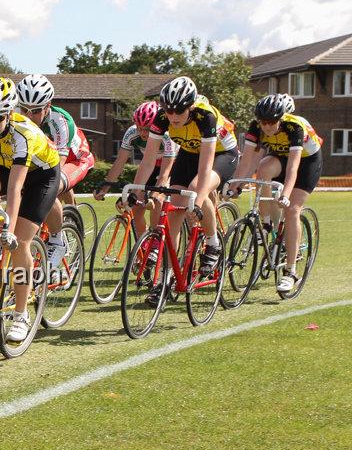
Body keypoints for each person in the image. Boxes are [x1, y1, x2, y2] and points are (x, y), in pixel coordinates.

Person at [0, 77, 62, 344]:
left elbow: (15, 188)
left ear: (10, 113)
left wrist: (8, 231)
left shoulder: (24, 134)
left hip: (40, 176)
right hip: (1, 167)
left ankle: (21, 314)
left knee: (19, 243)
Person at [139, 76, 239, 291]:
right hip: (190, 152)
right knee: (174, 209)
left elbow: (205, 167)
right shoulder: (162, 118)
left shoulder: (205, 117)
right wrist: (137, 192)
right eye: (168, 110)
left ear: (191, 106)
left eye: (179, 110)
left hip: (222, 153)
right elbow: (147, 162)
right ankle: (166, 277)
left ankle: (213, 244)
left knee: (195, 191)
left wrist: (199, 202)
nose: (173, 116)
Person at [234, 93, 323, 292]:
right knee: (263, 169)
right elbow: (248, 161)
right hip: (280, 156)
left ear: (281, 119)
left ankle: (291, 272)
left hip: (307, 161)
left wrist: (285, 195)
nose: (267, 127)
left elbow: (293, 168)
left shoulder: (294, 127)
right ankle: (266, 224)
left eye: (272, 122)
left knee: (292, 209)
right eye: (263, 122)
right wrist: (235, 185)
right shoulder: (256, 127)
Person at [15, 73, 94, 265]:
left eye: (36, 111)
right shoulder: (16, 117)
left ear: (48, 106)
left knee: (51, 187)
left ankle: (58, 241)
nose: (29, 116)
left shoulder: (60, 121)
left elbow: (56, 168)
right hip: (46, 158)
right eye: (24, 109)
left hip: (76, 159)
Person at [95, 101, 179, 237]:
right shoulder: (132, 133)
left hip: (172, 164)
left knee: (157, 201)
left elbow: (164, 173)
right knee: (135, 206)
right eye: (139, 127)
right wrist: (105, 187)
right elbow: (119, 161)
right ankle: (142, 249)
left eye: (146, 128)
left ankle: (156, 244)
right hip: (150, 164)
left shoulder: (166, 135)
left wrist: (154, 196)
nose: (142, 132)